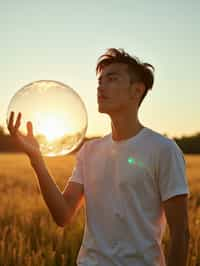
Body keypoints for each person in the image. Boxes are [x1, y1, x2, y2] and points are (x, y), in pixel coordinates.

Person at [8, 48, 190, 266]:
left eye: (111, 79)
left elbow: (180, 233)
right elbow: (63, 215)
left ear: (137, 90)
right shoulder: (89, 151)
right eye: (99, 81)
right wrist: (37, 160)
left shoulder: (163, 150)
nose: (100, 87)